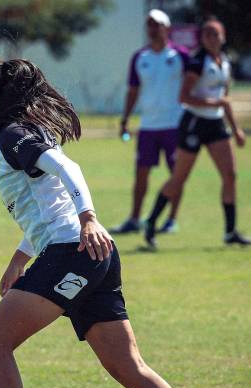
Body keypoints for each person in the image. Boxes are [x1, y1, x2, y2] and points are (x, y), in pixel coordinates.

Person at [0, 55, 228, 388]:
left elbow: (70, 171)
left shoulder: (13, 135)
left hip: (75, 251)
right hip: (86, 251)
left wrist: (88, 217)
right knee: (125, 364)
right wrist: (20, 257)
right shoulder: (21, 133)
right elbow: (47, 205)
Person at [143, 18, 251, 249]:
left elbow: (226, 100)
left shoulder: (224, 62)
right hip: (194, 122)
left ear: (223, 37)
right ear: (202, 39)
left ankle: (230, 232)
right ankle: (151, 222)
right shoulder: (197, 62)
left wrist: (236, 129)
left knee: (231, 175)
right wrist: (214, 103)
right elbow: (184, 97)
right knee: (179, 178)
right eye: (207, 34)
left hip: (215, 125)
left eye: (216, 34)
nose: (212, 38)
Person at [109, 9, 188, 236]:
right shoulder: (140, 58)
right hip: (148, 126)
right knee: (141, 173)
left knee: (177, 174)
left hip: (175, 125)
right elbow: (133, 91)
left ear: (167, 28)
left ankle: (171, 219)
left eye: (157, 24)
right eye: (150, 25)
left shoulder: (181, 56)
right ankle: (134, 219)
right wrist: (125, 119)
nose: (153, 29)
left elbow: (194, 84)